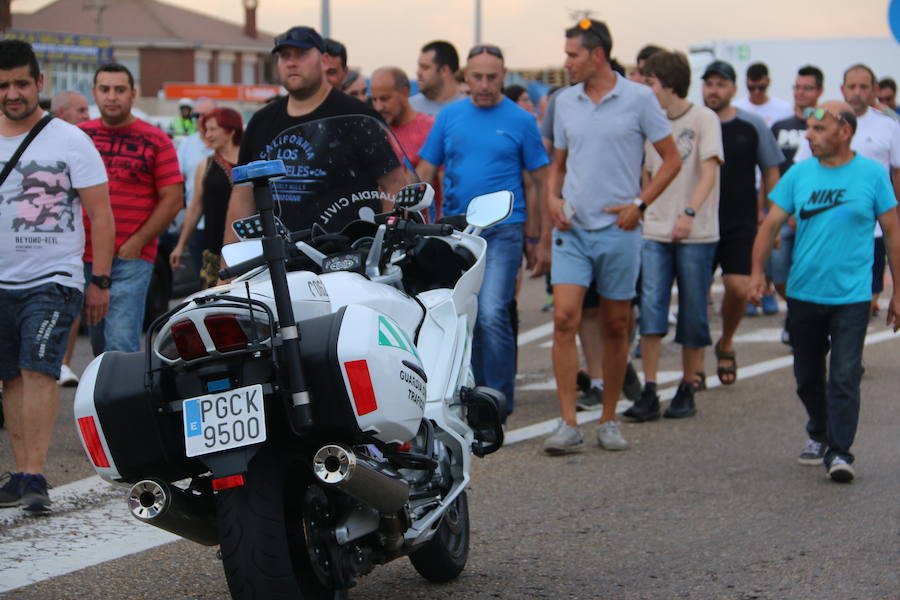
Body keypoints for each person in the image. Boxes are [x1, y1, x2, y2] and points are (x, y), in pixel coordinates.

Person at [539, 20, 680, 454]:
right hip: (574, 229)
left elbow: (671, 159)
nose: (566, 63)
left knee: (618, 325)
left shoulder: (639, 98)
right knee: (565, 318)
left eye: (573, 55)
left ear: (596, 55)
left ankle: (609, 419)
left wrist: (639, 205)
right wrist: (552, 199)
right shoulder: (564, 101)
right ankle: (567, 423)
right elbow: (557, 164)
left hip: (620, 229)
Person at [749, 101, 900, 483]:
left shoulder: (871, 175)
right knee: (807, 376)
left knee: (846, 374)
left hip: (852, 296)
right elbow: (770, 226)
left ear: (844, 132)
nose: (809, 137)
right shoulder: (799, 175)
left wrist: (898, 291)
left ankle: (839, 451)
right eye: (809, 130)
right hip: (804, 293)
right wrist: (756, 274)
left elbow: (894, 233)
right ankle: (818, 428)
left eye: (818, 130)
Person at [0, 39, 114, 513]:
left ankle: (35, 474)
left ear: (40, 83)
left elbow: (100, 214)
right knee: (10, 377)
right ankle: (20, 472)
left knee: (38, 368)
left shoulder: (70, 140)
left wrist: (100, 280)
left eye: (22, 83)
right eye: (3, 85)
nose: (12, 93)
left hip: (54, 277)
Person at [416, 44, 549, 418]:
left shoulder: (521, 120)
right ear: (465, 78)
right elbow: (424, 171)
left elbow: (540, 180)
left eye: (493, 77)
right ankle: (467, 393)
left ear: (504, 76)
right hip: (458, 232)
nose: (485, 84)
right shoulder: (449, 117)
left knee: (492, 311)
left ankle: (497, 401)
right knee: (462, 316)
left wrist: (538, 238)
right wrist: (411, 217)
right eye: (478, 77)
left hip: (505, 229)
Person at [222, 26, 406, 240]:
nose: (291, 62)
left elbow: (394, 183)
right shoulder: (262, 121)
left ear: (325, 61)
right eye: (284, 56)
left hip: (346, 258)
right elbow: (243, 194)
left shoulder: (357, 116)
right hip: (280, 259)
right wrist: (229, 262)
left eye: (301, 54)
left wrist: (388, 243)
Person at [624, 50, 723, 422]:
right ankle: (650, 388)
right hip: (656, 230)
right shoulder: (651, 122)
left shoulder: (704, 119)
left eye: (650, 82)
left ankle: (688, 385)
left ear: (668, 84)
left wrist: (690, 213)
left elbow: (710, 171)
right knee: (651, 308)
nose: (645, 88)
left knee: (694, 309)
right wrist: (645, 209)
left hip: (696, 232)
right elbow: (648, 172)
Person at [80, 63, 184, 355]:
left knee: (121, 344)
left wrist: (137, 243)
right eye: (105, 89)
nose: (112, 96)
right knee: (98, 344)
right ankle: (104, 397)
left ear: (133, 94)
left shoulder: (156, 139)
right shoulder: (78, 137)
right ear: (94, 93)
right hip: (81, 256)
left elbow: (173, 199)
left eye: (119, 90)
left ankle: (121, 401)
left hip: (130, 257)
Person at [794, 64, 900, 316]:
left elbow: (897, 173)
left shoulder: (889, 126)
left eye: (863, 87)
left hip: (872, 225)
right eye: (851, 86)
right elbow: (800, 167)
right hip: (827, 222)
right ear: (842, 89)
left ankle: (849, 346)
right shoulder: (823, 124)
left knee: (865, 295)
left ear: (874, 89)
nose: (857, 92)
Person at [701, 60, 783, 386]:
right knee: (696, 293)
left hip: (741, 221)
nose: (714, 90)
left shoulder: (751, 125)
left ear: (733, 89)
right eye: (709, 84)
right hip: (699, 222)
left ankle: (727, 341)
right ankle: (692, 368)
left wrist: (772, 217)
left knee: (738, 288)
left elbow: (772, 171)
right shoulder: (695, 122)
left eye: (721, 84)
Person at [769, 65, 824, 345]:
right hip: (783, 210)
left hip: (814, 212)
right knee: (778, 272)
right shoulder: (779, 127)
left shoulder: (827, 129)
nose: (801, 93)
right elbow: (772, 171)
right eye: (797, 87)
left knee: (811, 271)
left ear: (819, 91)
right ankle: (797, 312)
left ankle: (803, 322)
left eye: (807, 88)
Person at [169, 108, 242, 288]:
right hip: (214, 247)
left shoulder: (251, 160)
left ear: (231, 130)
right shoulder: (206, 165)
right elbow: (195, 208)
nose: (207, 135)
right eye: (205, 130)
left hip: (247, 248)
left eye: (212, 129)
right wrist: (180, 245)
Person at [50, 90, 92, 387]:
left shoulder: (80, 142)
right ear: (63, 113)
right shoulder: (47, 141)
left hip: (71, 245)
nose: (87, 116)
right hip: (31, 246)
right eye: (81, 110)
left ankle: (64, 363)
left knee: (69, 302)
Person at [174, 97, 216, 276]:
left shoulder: (227, 141)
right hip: (195, 223)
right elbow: (177, 182)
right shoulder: (186, 144)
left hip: (222, 223)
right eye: (196, 116)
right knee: (202, 278)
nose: (199, 120)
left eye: (205, 115)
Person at [411, 41, 466, 117]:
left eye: (425, 67)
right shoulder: (409, 109)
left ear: (444, 70)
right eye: (419, 67)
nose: (418, 73)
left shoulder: (469, 106)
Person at [733, 62, 793, 127]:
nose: (756, 92)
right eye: (751, 88)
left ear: (768, 81)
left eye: (761, 88)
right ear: (746, 82)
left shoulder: (784, 109)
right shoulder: (736, 108)